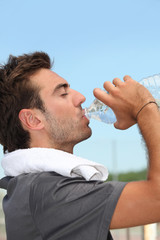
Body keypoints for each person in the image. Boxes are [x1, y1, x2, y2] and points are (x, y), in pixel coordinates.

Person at [0, 51, 160, 240]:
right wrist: (144, 107)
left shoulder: (35, 188)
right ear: (33, 119)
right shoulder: (49, 193)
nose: (81, 98)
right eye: (63, 93)